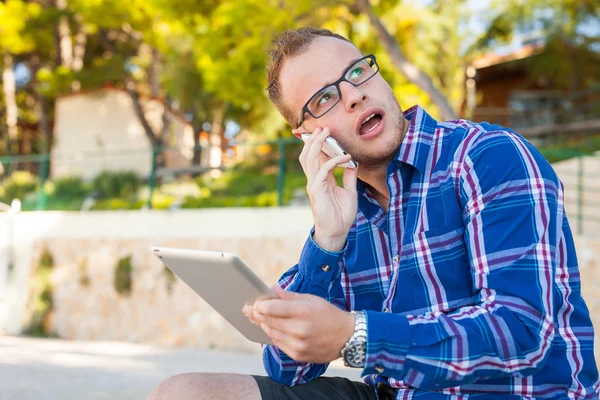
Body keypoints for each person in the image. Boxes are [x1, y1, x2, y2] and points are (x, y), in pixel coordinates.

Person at [148, 27, 599, 400]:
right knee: (185, 392)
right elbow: (289, 372)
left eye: (356, 73)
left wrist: (355, 335)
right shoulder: (345, 210)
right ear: (307, 135)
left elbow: (522, 333)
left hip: (519, 394)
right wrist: (326, 240)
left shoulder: (489, 157)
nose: (353, 96)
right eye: (324, 98)